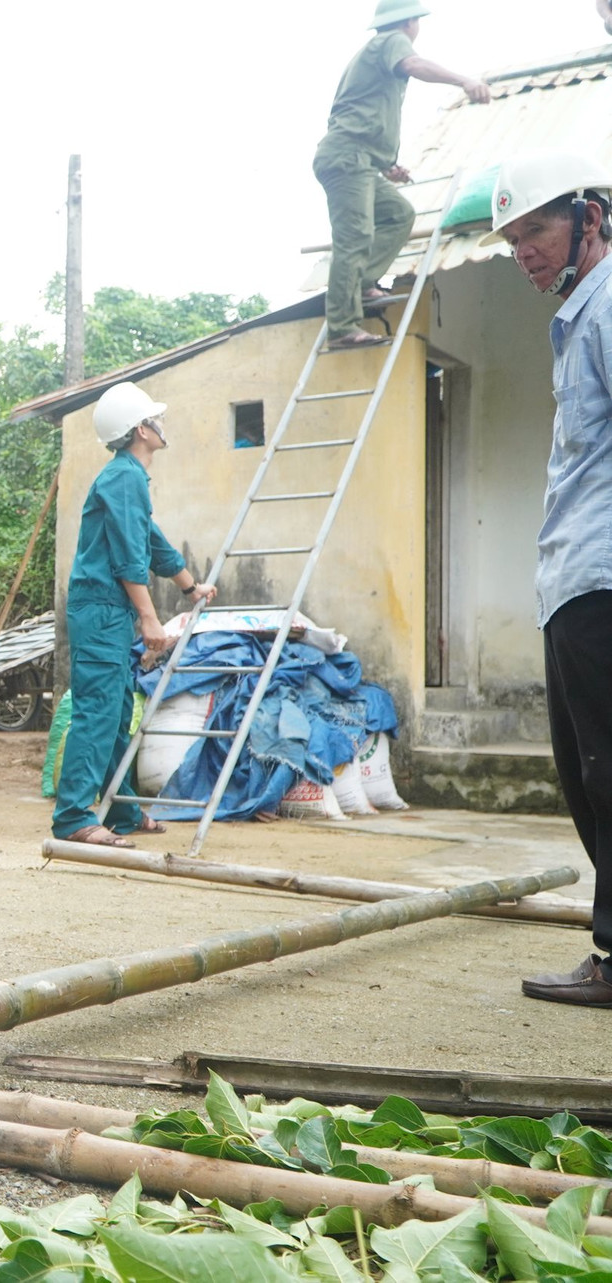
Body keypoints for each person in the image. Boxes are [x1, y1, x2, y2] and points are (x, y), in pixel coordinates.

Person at [486, 152, 612, 1008]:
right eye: (511, 238)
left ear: (590, 219)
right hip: (573, 577)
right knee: (587, 770)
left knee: (607, 769)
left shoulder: (607, 310)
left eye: (534, 228)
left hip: (602, 577)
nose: (522, 249)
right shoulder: (579, 315)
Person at [52, 382, 217, 849]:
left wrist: (189, 586)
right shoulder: (123, 477)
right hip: (103, 607)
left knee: (119, 708)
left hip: (110, 609)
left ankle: (121, 809)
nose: (162, 426)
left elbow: (150, 538)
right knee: (98, 712)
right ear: (141, 429)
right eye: (156, 420)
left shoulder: (130, 477)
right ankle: (73, 818)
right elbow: (128, 556)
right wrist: (150, 618)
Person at [314, 0, 491, 350]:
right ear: (410, 22)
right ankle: (342, 326)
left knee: (399, 215)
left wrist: (385, 165)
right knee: (355, 237)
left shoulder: (373, 52)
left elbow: (360, 116)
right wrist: (464, 81)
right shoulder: (392, 42)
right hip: (349, 159)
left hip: (360, 159)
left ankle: (364, 282)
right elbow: (414, 64)